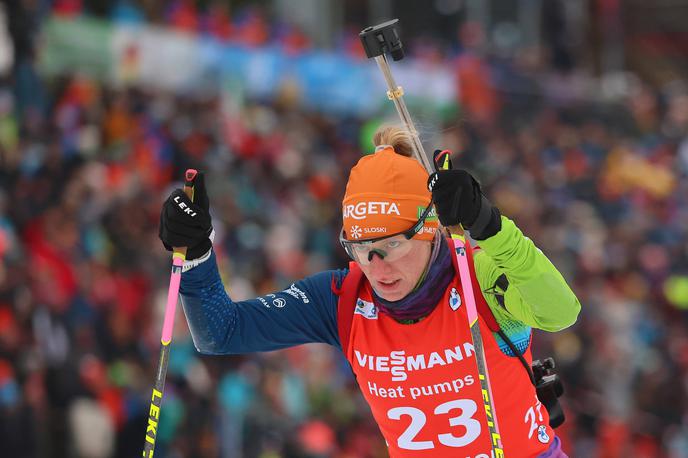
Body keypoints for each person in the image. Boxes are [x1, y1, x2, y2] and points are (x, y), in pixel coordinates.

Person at [159, 125, 581, 457]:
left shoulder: (480, 275)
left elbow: (561, 313)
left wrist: (489, 226)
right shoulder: (342, 300)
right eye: (359, 248)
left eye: (391, 245)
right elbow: (220, 333)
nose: (376, 266)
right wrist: (196, 254)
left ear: (428, 230)